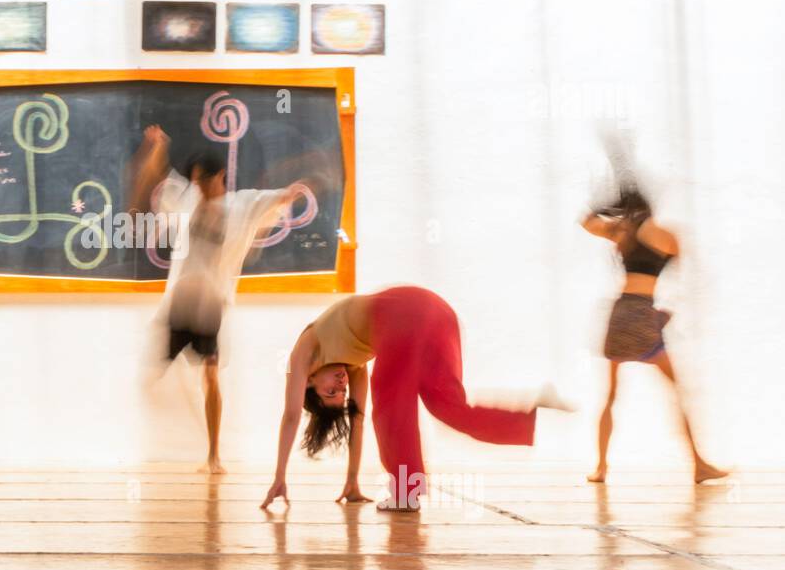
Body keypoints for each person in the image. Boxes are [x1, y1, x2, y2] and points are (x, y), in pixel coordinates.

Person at [260, 286, 565, 512]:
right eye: (340, 394)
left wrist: (279, 477)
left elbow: (291, 416)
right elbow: (358, 421)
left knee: (391, 405)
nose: (341, 386)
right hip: (437, 313)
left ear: (310, 383)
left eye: (330, 391)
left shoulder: (305, 351)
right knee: (448, 405)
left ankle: (406, 492)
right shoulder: (352, 365)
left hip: (405, 314)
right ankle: (531, 416)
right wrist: (353, 481)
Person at [132, 124, 306, 474]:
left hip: (209, 307)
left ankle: (213, 456)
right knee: (149, 378)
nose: (199, 189)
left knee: (211, 376)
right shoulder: (187, 198)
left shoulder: (241, 204)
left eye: (204, 183)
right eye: (194, 182)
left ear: (220, 177)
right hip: (180, 304)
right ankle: (169, 444)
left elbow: (275, 198)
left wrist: (291, 193)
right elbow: (155, 177)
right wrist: (156, 148)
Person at [580, 186, 729, 484]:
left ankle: (600, 468)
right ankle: (699, 465)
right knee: (676, 390)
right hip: (644, 315)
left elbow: (587, 221)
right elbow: (682, 279)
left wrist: (611, 206)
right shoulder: (666, 234)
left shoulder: (622, 232)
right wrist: (666, 315)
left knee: (610, 395)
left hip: (622, 314)